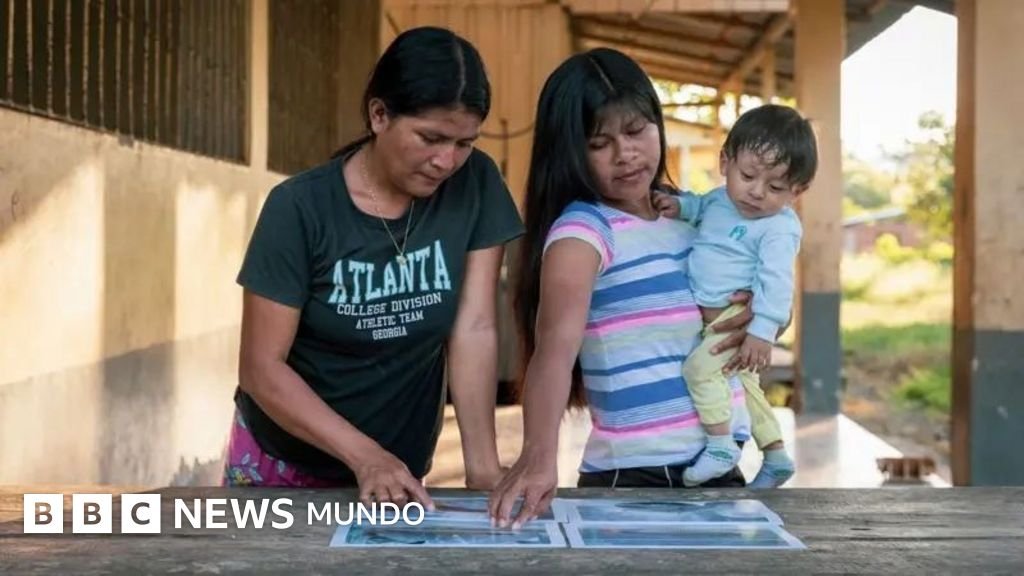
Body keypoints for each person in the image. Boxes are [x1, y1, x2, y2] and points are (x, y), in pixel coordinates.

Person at [225, 26, 524, 508]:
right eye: (431, 138)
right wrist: (366, 456)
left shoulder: (477, 183)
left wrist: (483, 466)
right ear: (379, 114)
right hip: (286, 468)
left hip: (398, 473)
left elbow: (474, 327)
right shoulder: (299, 208)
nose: (446, 160)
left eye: (464, 143)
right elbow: (261, 368)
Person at [488, 48, 770, 528]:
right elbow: (553, 352)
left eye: (637, 130)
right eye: (599, 142)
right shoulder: (584, 232)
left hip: (720, 467)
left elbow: (746, 304)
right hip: (636, 475)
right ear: (570, 151)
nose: (626, 154)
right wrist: (538, 457)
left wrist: (757, 318)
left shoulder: (696, 216)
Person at [651, 104, 816, 488]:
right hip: (714, 323)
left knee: (697, 371)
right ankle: (775, 456)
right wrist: (678, 207)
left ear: (798, 190)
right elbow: (698, 207)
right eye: (748, 176)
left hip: (733, 321)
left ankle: (721, 444)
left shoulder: (778, 227)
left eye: (775, 187)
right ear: (725, 161)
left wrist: (762, 331)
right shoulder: (720, 200)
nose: (756, 192)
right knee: (746, 386)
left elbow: (777, 282)